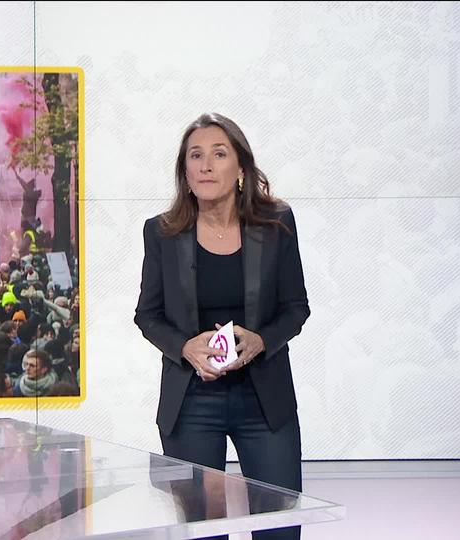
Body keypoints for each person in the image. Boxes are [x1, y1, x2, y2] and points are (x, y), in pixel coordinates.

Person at [134, 113, 309, 540]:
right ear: (186, 172)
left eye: (218, 153)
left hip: (263, 398)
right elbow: (147, 314)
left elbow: (296, 307)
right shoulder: (161, 233)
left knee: (279, 530)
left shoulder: (277, 224)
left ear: (241, 169)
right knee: (203, 533)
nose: (206, 165)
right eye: (196, 156)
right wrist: (185, 348)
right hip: (192, 401)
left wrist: (262, 339)